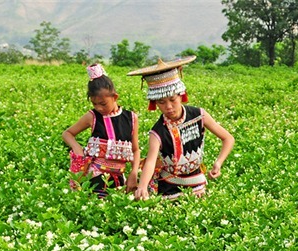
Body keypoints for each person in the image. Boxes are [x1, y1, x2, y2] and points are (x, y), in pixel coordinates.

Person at [128, 57, 235, 200]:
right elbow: (151, 161)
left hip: (198, 183)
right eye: (162, 102)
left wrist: (218, 163)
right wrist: (142, 186)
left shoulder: (199, 115)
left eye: (172, 100)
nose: (169, 107)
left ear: (181, 95)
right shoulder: (157, 132)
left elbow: (228, 138)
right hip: (169, 186)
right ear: (156, 104)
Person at [62, 63, 140, 196]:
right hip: (95, 177)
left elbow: (135, 149)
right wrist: (77, 149)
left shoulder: (131, 118)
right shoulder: (92, 117)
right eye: (94, 104)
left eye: (103, 104)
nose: (99, 108)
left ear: (115, 97)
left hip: (119, 178)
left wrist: (134, 172)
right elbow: (67, 133)